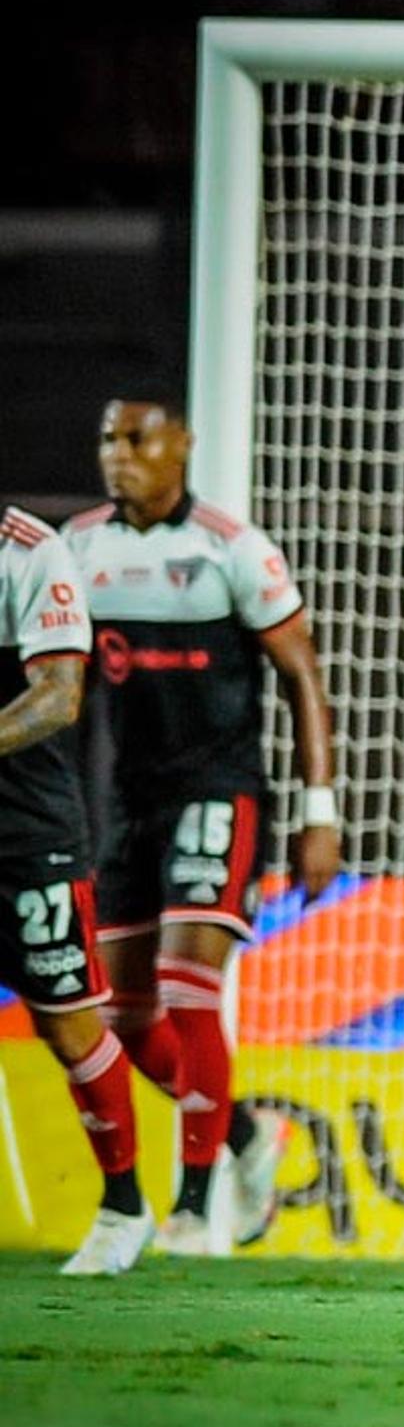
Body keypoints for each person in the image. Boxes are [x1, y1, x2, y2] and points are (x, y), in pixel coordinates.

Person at [74, 396, 334, 1254]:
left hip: (220, 789)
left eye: (138, 438)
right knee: (119, 1016)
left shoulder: (232, 548)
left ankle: (191, 1209)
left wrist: (319, 811)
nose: (120, 455)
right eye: (109, 439)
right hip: (126, 803)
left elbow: (302, 675)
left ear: (181, 445)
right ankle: (248, 1138)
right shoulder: (79, 549)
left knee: (190, 989)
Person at [0, 507, 149, 1275]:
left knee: (69, 1029)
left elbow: (57, 697)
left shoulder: (29, 552)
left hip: (26, 837)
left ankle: (124, 1206)